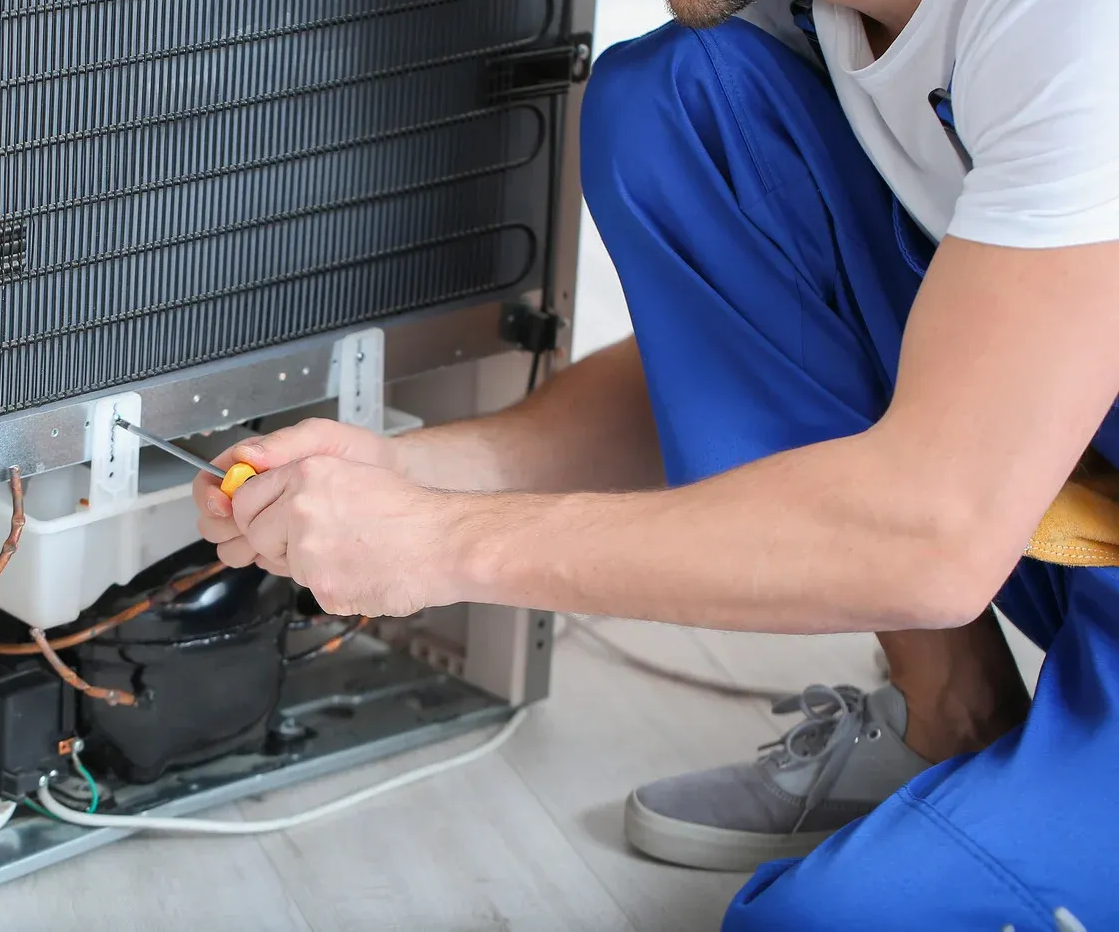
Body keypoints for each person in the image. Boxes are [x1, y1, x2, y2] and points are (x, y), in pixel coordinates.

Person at [193, 0, 1119, 926]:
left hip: (981, 520)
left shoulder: (1074, 30)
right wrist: (420, 475)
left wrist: (442, 543)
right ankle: (953, 716)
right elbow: (757, 351)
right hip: (1046, 489)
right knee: (683, 100)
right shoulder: (807, 16)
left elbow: (934, 541)